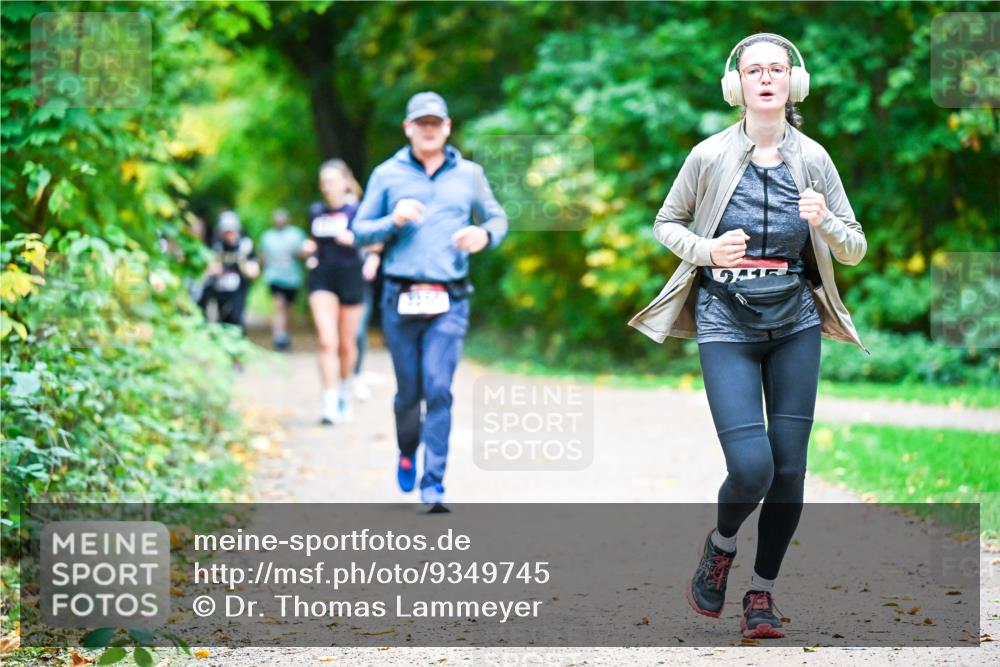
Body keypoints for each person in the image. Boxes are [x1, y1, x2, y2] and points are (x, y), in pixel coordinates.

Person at [628, 33, 867, 639]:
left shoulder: (813, 159)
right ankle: (721, 543)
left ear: (793, 83)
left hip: (795, 323)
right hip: (725, 321)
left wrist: (827, 222)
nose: (766, 78)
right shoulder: (708, 156)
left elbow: (856, 246)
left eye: (777, 69)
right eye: (754, 70)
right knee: (753, 467)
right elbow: (665, 222)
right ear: (738, 86)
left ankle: (761, 594)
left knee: (789, 471)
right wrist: (707, 250)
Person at [352, 91, 508, 512]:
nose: (428, 129)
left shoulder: (470, 174)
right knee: (409, 393)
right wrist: (392, 219)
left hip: (449, 299)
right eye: (420, 123)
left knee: (438, 388)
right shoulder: (387, 174)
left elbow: (497, 218)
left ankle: (433, 482)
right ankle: (407, 450)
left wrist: (484, 235)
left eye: (435, 123)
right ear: (408, 128)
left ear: (447, 127)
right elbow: (359, 229)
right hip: (400, 297)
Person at [303, 160, 366, 425]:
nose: (328, 187)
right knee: (327, 341)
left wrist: (357, 241)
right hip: (322, 278)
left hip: (351, 276)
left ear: (345, 182)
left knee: (346, 345)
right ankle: (328, 401)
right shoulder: (315, 211)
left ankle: (344, 389)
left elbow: (374, 243)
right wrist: (308, 250)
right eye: (324, 181)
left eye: (332, 181)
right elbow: (313, 242)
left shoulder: (358, 211)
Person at [260, 208, 307, 351]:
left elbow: (303, 253)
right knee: (278, 305)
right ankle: (278, 336)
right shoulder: (267, 236)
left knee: (288, 309)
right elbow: (262, 257)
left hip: (292, 279)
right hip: (274, 277)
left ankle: (285, 335)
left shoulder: (296, 234)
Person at [206, 210, 259, 335]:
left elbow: (254, 267)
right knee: (221, 321)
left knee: (237, 319)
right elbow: (208, 266)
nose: (229, 235)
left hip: (239, 289)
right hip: (220, 289)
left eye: (231, 231)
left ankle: (237, 347)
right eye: (226, 231)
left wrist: (247, 267)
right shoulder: (216, 245)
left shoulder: (245, 245)